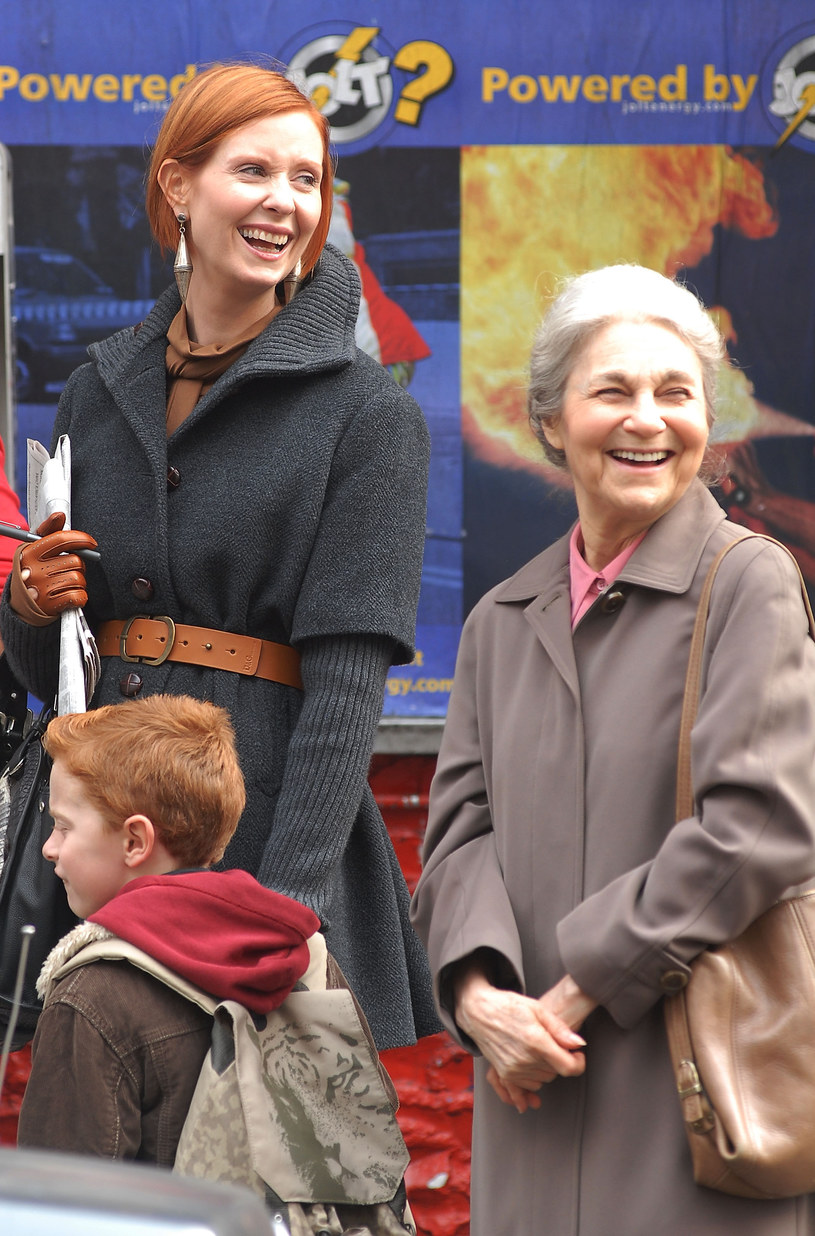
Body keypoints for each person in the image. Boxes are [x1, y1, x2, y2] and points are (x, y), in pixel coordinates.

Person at [0, 61, 437, 1051]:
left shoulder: (369, 413)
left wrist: (283, 909)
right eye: (253, 171)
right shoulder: (93, 391)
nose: (285, 201)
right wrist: (30, 607)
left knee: (245, 1182)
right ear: (177, 187)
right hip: (103, 846)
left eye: (307, 178)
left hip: (264, 846)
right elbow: (57, 680)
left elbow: (345, 696)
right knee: (107, 1174)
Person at [410, 264, 815, 1235]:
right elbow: (456, 837)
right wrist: (479, 1002)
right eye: (612, 391)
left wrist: (572, 992)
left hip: (690, 1093)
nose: (647, 420)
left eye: (675, 394)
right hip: (531, 1095)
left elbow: (755, 825)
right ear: (549, 420)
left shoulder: (748, 583)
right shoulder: (500, 619)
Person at [16, 693, 320, 1161]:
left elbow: (61, 1204)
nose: (49, 849)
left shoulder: (90, 996)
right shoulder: (305, 957)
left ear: (135, 840)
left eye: (62, 826)